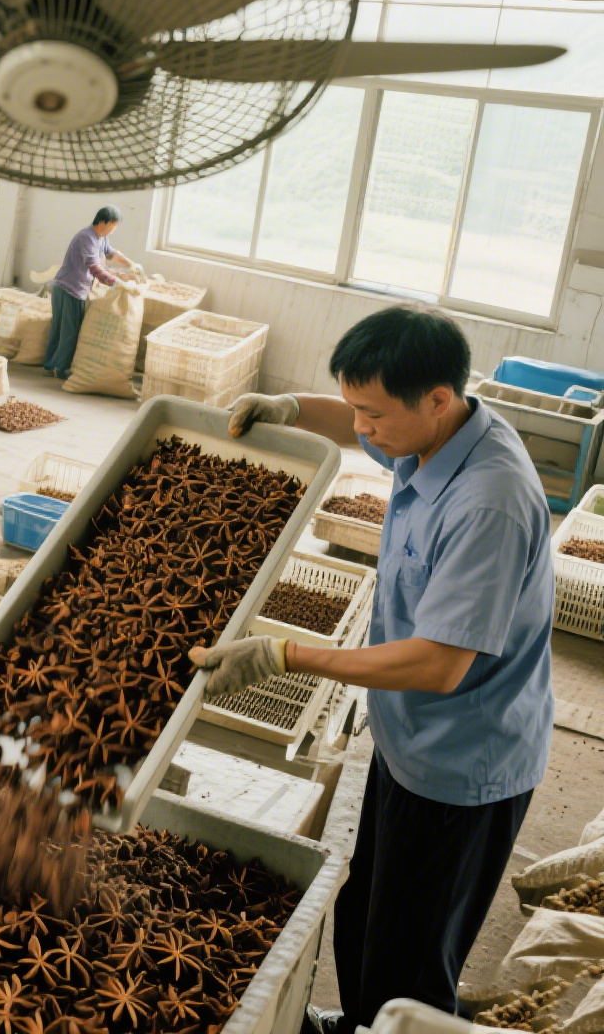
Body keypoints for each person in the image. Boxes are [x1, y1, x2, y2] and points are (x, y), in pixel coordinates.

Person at [192, 305, 553, 1034]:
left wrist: (284, 654)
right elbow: (354, 420)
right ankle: (358, 1021)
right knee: (367, 911)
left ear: (437, 399)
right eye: (354, 407)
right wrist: (291, 407)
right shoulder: (429, 436)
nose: (361, 428)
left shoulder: (491, 503)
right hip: (405, 739)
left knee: (413, 953)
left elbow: (439, 664)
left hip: (460, 763)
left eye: (373, 414)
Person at [42, 206, 138, 379]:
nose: (114, 230)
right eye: (113, 226)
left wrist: (131, 264)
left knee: (61, 329)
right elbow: (94, 267)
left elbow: (111, 253)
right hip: (70, 289)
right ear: (103, 223)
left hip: (69, 287)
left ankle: (51, 364)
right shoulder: (87, 238)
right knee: (68, 332)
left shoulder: (101, 238)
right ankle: (59, 368)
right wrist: (115, 283)